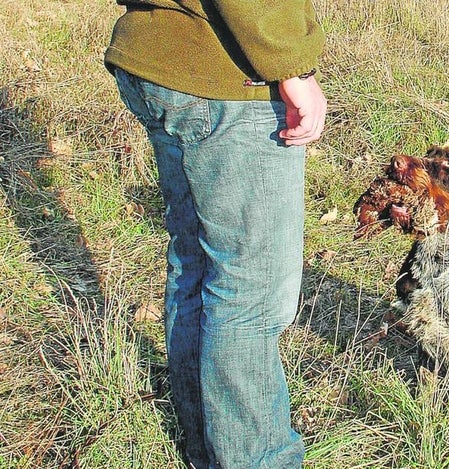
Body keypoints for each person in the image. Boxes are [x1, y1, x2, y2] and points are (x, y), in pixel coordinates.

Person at [105, 1, 326, 468]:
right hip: (226, 76)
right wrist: (291, 66)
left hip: (158, 56)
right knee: (251, 294)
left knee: (197, 264)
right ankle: (254, 459)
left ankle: (208, 448)